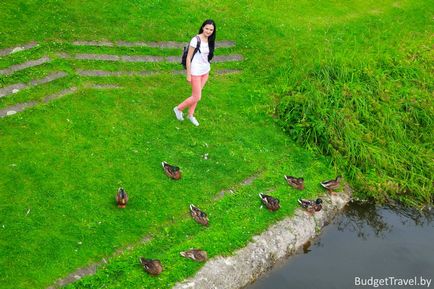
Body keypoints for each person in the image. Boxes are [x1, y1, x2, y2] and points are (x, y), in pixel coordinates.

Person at [173, 19, 216, 127]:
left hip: (205, 71)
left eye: (211, 29)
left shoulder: (210, 40)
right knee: (197, 97)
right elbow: (188, 58)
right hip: (195, 72)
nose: (209, 31)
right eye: (207, 28)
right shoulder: (195, 40)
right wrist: (188, 74)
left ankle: (190, 115)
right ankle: (178, 109)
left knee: (197, 94)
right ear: (202, 27)